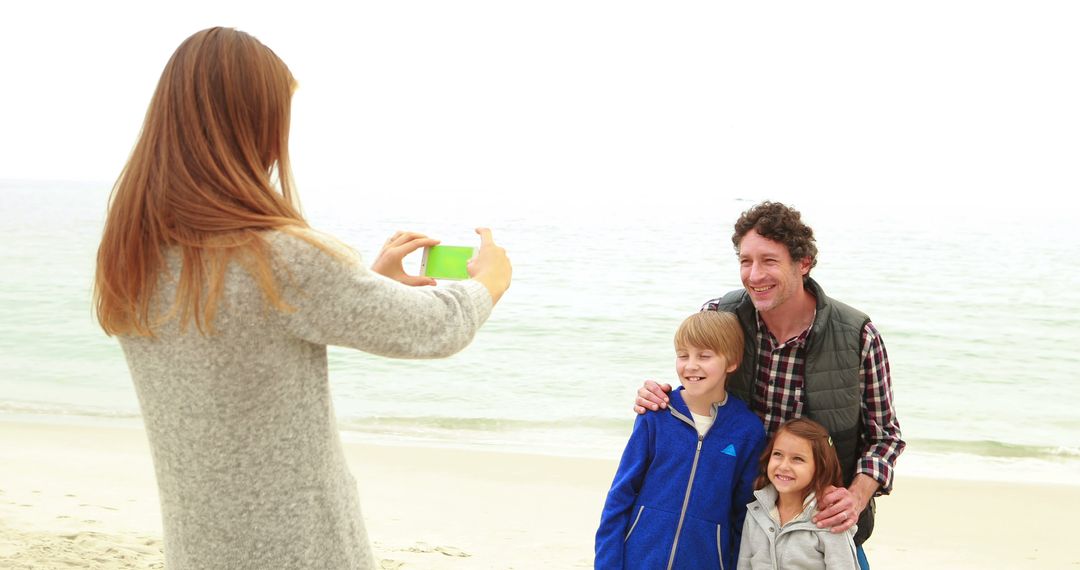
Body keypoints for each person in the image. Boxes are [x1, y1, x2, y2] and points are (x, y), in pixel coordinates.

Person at [93, 27, 512, 570]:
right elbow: (437, 328)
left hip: (199, 547)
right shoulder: (282, 257)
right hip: (299, 548)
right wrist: (490, 281)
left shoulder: (133, 255)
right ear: (255, 126)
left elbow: (248, 335)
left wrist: (367, 282)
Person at [635, 201, 904, 570]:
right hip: (734, 518)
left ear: (803, 263)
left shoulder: (858, 336)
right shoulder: (720, 315)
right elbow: (697, 382)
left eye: (769, 261)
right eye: (745, 261)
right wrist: (660, 396)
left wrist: (855, 498)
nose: (754, 275)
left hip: (819, 527)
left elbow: (885, 436)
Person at [595, 311, 766, 569]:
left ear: (732, 362)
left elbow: (743, 514)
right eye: (683, 355)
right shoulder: (656, 415)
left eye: (704, 356)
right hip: (639, 560)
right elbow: (621, 494)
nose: (691, 365)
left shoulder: (747, 430)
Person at [739, 417, 859, 569]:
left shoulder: (830, 519)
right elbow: (744, 565)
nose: (783, 466)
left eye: (797, 459)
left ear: (819, 467)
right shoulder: (755, 512)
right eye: (778, 454)